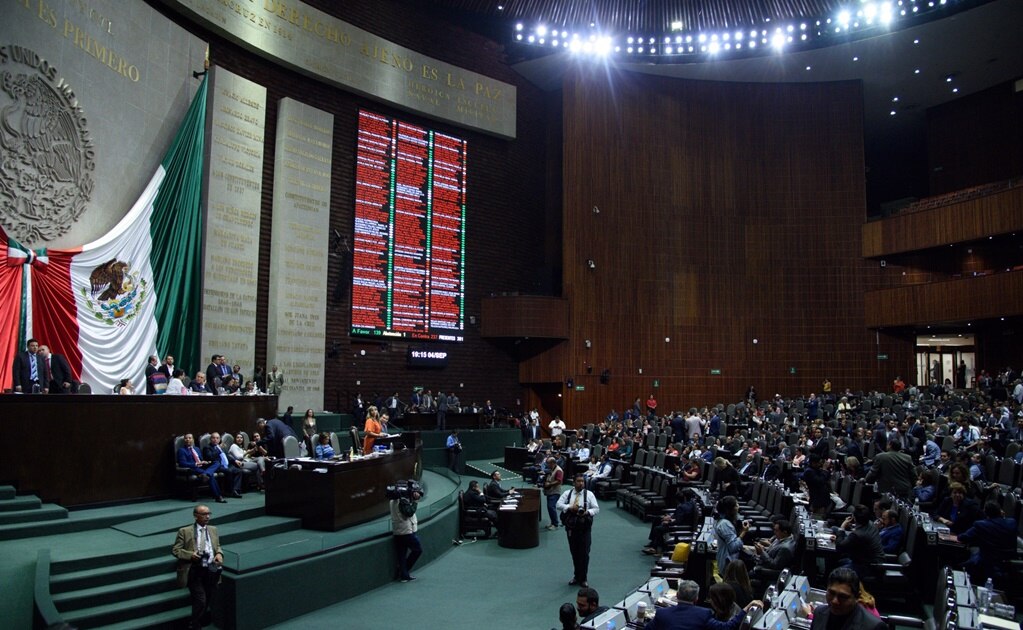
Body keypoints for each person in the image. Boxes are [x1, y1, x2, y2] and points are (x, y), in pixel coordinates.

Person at [172, 504, 223, 629]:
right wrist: (190, 555)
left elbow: (218, 546)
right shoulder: (184, 531)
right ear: (196, 516)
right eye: (204, 514)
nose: (207, 516)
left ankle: (197, 620)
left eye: (208, 513)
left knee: (208, 597)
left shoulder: (213, 530)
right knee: (201, 599)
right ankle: (194, 624)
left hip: (211, 569)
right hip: (194, 571)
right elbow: (176, 550)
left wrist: (219, 554)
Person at [644, 579, 761, 630]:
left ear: (677, 596)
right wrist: (746, 608)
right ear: (696, 598)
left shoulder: (661, 613)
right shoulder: (704, 614)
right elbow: (727, 627)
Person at [958, 501, 1019, 583]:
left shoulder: (981, 525)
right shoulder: (1012, 522)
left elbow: (962, 538)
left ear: (985, 512)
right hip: (1008, 564)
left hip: (986, 564)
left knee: (960, 566)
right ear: (1000, 511)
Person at [556, 474, 599, 587]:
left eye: (582, 481)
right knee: (574, 553)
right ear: (573, 482)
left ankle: (583, 578)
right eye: (579, 481)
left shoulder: (589, 495)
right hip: (571, 528)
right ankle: (576, 576)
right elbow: (558, 505)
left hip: (584, 529)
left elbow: (596, 508)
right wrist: (570, 507)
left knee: (584, 554)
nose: (581, 483)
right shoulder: (567, 494)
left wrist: (587, 512)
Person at [808, 568, 886, 630]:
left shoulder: (874, 626)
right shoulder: (819, 612)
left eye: (843, 597)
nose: (835, 601)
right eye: (831, 593)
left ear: (857, 597)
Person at [832, 505, 885, 578]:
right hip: (870, 561)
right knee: (838, 562)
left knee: (835, 573)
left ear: (854, 518)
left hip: (869, 566)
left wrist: (843, 526)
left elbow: (839, 547)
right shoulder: (870, 524)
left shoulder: (858, 534)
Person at [644, 488, 696, 555]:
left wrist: (669, 522)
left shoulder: (682, 507)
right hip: (680, 523)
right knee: (657, 519)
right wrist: (670, 517)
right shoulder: (690, 503)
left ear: (685, 497)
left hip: (679, 527)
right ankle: (653, 543)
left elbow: (678, 521)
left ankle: (657, 549)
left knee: (658, 529)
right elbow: (679, 516)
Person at [177, 434, 227, 503]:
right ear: (184, 440)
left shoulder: (196, 449)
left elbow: (201, 459)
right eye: (186, 438)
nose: (188, 439)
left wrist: (204, 462)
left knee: (217, 463)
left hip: (202, 466)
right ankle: (218, 496)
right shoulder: (181, 450)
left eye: (189, 438)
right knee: (210, 475)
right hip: (193, 468)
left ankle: (206, 473)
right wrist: (195, 464)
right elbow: (182, 463)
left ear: (193, 440)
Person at [390, 484, 422, 582]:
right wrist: (415, 501)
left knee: (402, 555)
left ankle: (404, 575)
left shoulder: (392, 501)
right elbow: (409, 512)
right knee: (418, 550)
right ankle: (403, 571)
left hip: (397, 531)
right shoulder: (402, 501)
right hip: (406, 531)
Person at [714, 496, 748, 575]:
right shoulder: (725, 524)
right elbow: (733, 547)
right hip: (728, 563)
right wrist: (744, 532)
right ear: (730, 510)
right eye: (736, 505)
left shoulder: (725, 521)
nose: (738, 506)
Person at [202, 433, 243, 498]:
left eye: (217, 438)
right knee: (229, 471)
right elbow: (210, 457)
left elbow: (226, 456)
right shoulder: (207, 448)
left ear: (219, 439)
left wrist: (235, 460)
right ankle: (230, 491)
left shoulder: (220, 447)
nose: (215, 440)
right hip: (216, 466)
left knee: (239, 471)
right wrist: (218, 449)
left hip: (225, 465)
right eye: (213, 438)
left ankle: (235, 490)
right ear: (210, 439)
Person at [543, 456, 564, 530]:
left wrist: (549, 484)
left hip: (555, 492)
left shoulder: (558, 470)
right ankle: (552, 523)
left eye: (548, 463)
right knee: (550, 507)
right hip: (550, 491)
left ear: (552, 463)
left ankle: (555, 524)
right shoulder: (552, 469)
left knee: (551, 507)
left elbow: (559, 481)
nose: (547, 465)